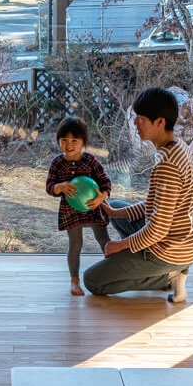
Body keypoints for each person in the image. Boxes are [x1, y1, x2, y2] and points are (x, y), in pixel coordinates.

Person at [83, 88, 193, 303]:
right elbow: (155, 205)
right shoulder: (177, 147)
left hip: (171, 250)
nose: (135, 123)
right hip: (183, 242)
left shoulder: (168, 165)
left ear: (160, 122)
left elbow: (158, 229)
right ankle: (149, 263)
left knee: (92, 280)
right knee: (117, 206)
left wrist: (120, 245)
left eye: (141, 119)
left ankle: (167, 276)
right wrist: (114, 212)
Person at [44, 116, 113, 296]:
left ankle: (114, 273)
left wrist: (102, 196)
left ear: (83, 141)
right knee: (75, 245)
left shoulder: (91, 161)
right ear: (58, 140)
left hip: (94, 208)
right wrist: (60, 187)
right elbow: (49, 187)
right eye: (64, 140)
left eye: (74, 140)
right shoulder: (57, 163)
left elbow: (105, 182)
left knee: (104, 241)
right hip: (71, 212)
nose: (69, 145)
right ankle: (74, 281)